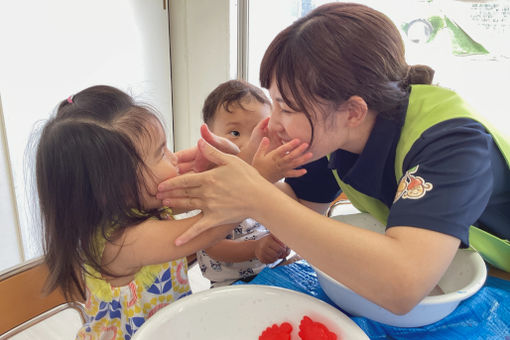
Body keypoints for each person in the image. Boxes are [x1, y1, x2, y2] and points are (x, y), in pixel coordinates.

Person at [157, 2, 510, 316]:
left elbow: (402, 285)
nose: (272, 124)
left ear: (353, 110)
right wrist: (246, 173)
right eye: (274, 101)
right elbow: (301, 208)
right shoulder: (327, 132)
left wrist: (254, 194)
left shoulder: (450, 143)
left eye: (287, 107)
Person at [35, 85, 240, 339]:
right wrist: (254, 185)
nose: (174, 158)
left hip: (170, 327)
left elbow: (199, 192)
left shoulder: (141, 200)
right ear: (116, 188)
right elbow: (208, 229)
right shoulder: (123, 241)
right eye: (160, 153)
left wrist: (215, 167)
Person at [197, 79, 291, 287]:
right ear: (209, 138)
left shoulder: (270, 175)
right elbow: (212, 246)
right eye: (235, 133)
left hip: (274, 270)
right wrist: (255, 248)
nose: (251, 142)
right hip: (231, 282)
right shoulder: (213, 183)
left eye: (261, 132)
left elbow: (288, 209)